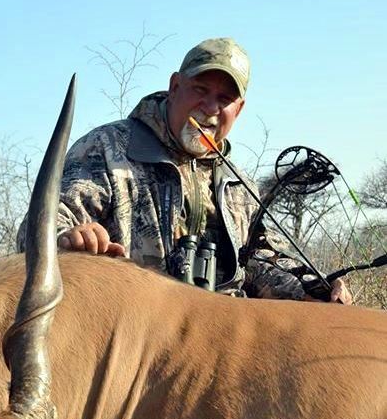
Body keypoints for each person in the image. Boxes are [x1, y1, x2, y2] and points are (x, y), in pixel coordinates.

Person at [31, 37, 351, 304]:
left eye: (224, 99)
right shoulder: (106, 148)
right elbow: (41, 227)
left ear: (238, 110)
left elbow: (263, 261)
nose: (210, 108)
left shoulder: (239, 186)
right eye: (200, 90)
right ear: (174, 87)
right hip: (128, 331)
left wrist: (312, 288)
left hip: (220, 334)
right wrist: (68, 240)